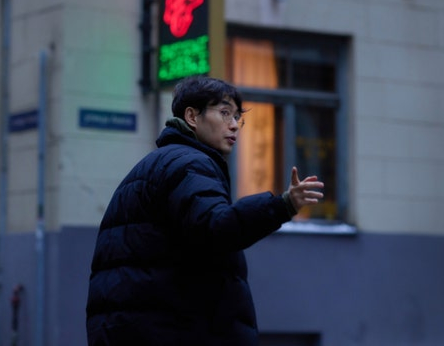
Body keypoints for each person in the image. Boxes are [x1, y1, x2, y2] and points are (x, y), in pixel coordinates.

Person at [86, 75, 324, 346]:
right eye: (224, 113)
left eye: (237, 117)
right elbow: (217, 227)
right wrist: (283, 205)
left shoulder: (162, 163)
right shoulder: (189, 164)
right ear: (192, 117)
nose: (233, 125)